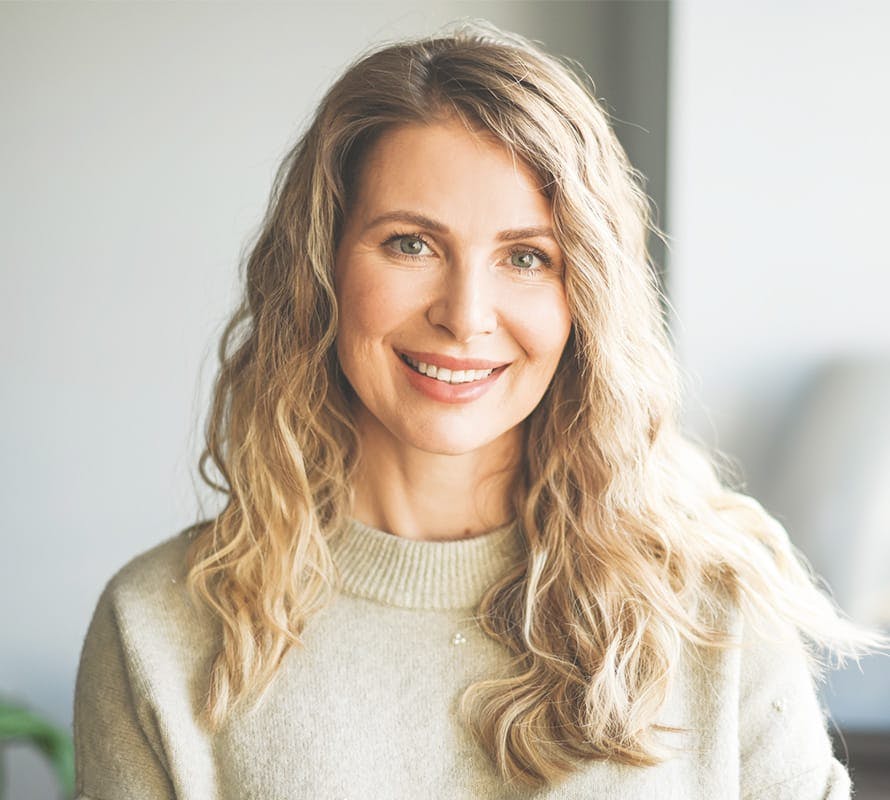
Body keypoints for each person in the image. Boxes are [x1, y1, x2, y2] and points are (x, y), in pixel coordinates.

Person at [73, 23, 883, 800]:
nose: (465, 315)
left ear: (584, 301)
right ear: (319, 271)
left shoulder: (717, 607)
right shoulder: (157, 630)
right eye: (410, 244)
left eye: (526, 257)